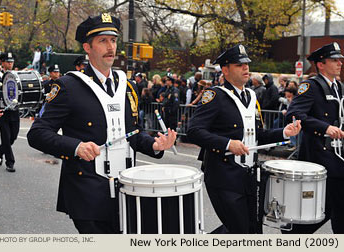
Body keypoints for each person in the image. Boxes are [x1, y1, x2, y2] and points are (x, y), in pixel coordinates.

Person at [27, 13, 176, 234]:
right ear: (88, 47)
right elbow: (37, 133)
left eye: (113, 40)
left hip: (126, 189)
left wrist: (154, 145)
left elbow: (132, 133)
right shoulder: (69, 86)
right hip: (87, 192)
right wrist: (76, 147)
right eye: (103, 41)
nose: (110, 47)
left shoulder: (126, 86)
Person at [187, 44, 301, 234]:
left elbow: (258, 135)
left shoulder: (251, 96)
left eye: (246, 63)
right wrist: (227, 144)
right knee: (240, 230)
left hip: (247, 176)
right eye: (239, 64)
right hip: (223, 175)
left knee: (252, 229)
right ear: (225, 69)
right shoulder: (214, 96)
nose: (245, 68)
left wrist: (284, 132)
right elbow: (194, 131)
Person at [285, 42, 344, 234]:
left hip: (339, 157)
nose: (339, 64)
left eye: (340, 60)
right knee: (323, 208)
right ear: (321, 64)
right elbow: (294, 114)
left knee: (338, 210)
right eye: (334, 60)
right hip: (320, 157)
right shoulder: (310, 86)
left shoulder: (339, 87)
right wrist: (325, 127)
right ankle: (293, 236)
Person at [0, 52, 20, 172]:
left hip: (14, 110)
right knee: (6, 136)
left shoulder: (16, 76)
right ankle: (10, 162)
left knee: (13, 137)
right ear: (2, 63)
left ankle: (0, 150)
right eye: (8, 61)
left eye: (11, 61)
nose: (10, 63)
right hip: (1, 111)